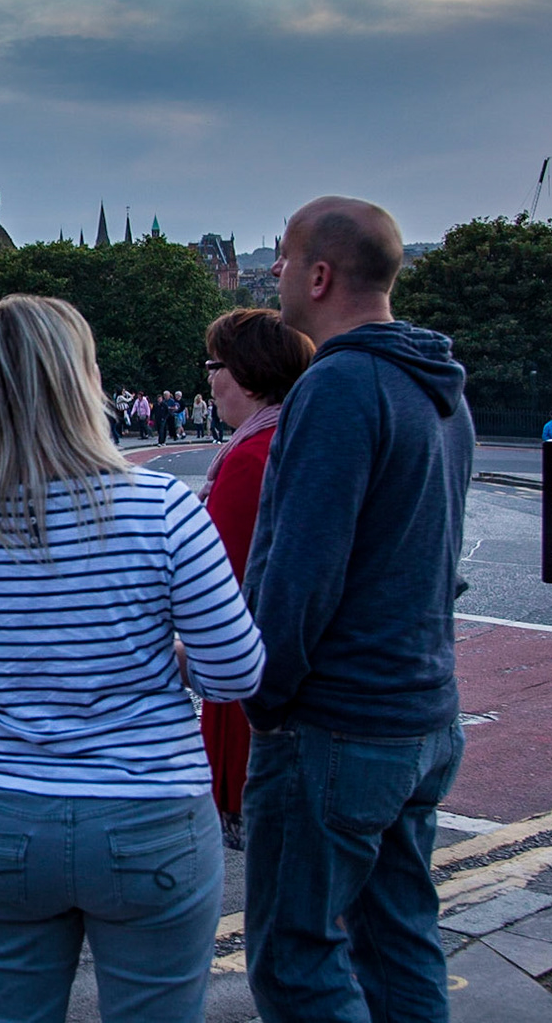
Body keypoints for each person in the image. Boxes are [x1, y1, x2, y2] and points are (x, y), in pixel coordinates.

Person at [0, 294, 266, 1023]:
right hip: (150, 812)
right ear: (85, 380)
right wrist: (163, 656)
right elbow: (235, 672)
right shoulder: (164, 508)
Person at [240, 196, 474, 1022]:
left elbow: (300, 576)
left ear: (321, 273)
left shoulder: (338, 386)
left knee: (295, 960)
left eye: (282, 256)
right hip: (422, 715)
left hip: (336, 728)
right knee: (400, 941)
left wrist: (263, 698)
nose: (274, 273)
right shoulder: (440, 389)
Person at [197, 308, 316, 851]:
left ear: (244, 373)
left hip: (251, 703)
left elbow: (217, 588)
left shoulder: (248, 458)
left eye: (213, 365)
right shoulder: (292, 437)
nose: (211, 380)